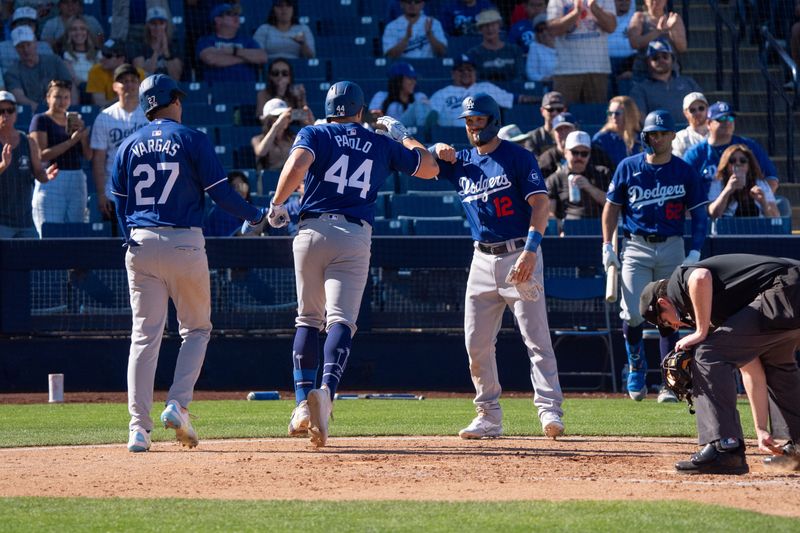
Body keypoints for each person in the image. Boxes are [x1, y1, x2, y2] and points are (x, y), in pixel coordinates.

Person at [266, 81, 438, 448]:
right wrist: (404, 136)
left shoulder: (315, 131)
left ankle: (301, 403)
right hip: (353, 235)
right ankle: (326, 392)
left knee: (307, 319)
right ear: (361, 110)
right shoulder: (380, 143)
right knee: (340, 320)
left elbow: (297, 162)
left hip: (311, 229)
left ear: (329, 108)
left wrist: (278, 204)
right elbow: (429, 169)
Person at [110, 74, 268, 453]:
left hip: (140, 241)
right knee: (196, 330)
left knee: (144, 337)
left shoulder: (128, 144)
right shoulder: (192, 138)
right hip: (183, 241)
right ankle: (178, 405)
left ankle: (138, 429)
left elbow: (117, 203)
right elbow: (221, 195)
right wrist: (255, 214)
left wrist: (128, 237)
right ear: (174, 101)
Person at [429, 92, 565, 440]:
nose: (474, 127)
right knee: (476, 343)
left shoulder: (518, 157)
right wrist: (431, 147)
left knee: (536, 339)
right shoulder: (460, 161)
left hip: (519, 253)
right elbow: (422, 164)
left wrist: (531, 251)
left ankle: (550, 410)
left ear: (494, 121)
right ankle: (488, 414)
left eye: (479, 120)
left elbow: (540, 206)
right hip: (481, 259)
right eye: (469, 122)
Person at [639, 253, 800, 474]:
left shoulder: (677, 285)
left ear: (663, 302)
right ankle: (797, 449)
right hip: (789, 293)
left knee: (707, 353)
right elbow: (752, 371)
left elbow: (700, 277)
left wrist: (700, 331)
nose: (673, 326)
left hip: (785, 290)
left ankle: (724, 448)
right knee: (777, 363)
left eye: (665, 320)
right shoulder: (722, 307)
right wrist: (760, 428)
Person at [601, 109, 708, 402]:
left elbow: (700, 214)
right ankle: (636, 364)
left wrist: (695, 249)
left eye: (662, 133)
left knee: (668, 315)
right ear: (645, 136)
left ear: (673, 136)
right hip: (635, 245)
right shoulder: (628, 166)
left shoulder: (684, 170)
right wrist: (607, 247)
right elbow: (610, 209)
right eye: (652, 133)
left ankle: (668, 379)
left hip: (673, 244)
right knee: (634, 312)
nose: (657, 138)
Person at [90, 64, 148, 234]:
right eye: (124, 81)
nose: (129, 85)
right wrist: (101, 194)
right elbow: (98, 159)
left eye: (133, 81)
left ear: (139, 84)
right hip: (115, 192)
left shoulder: (150, 115)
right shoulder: (105, 117)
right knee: (119, 246)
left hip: (146, 191)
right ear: (115, 86)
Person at [29, 79, 91, 236]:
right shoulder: (40, 120)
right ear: (48, 98)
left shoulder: (74, 120)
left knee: (76, 232)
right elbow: (42, 155)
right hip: (51, 177)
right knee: (50, 232)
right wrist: (72, 141)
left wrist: (82, 135)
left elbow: (88, 155)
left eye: (66, 97)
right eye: (57, 97)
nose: (62, 101)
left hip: (76, 177)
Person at [683, 101, 780, 194]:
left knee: (782, 203)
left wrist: (758, 202)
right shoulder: (695, 153)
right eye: (721, 119)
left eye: (730, 118)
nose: (727, 122)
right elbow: (684, 185)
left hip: (745, 206)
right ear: (709, 123)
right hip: (708, 206)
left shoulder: (749, 146)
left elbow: (771, 179)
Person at [0, 90, 59, 238]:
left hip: (25, 221)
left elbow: (39, 173)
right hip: (1, 223)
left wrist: (46, 176)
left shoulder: (28, 141)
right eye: (1, 110)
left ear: (16, 113)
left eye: (10, 110)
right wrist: (3, 165)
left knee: (32, 260)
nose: (5, 114)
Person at [428, 55, 537, 127]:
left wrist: (542, 98)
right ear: (453, 73)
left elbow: (516, 99)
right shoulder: (441, 94)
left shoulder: (486, 88)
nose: (466, 73)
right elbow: (431, 119)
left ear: (475, 72)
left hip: (481, 136)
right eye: (461, 70)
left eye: (469, 69)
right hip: (450, 137)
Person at [546, 0, 617, 104]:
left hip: (597, 69)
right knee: (563, 114)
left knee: (596, 115)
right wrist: (576, 12)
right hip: (566, 70)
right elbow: (553, 29)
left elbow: (611, 27)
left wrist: (593, 7)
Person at [628, 38, 701, 120]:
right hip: (658, 132)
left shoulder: (689, 83)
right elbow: (640, 118)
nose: (661, 60)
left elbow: (702, 109)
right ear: (648, 62)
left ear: (672, 59)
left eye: (665, 56)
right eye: (655, 58)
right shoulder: (639, 89)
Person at [4, 26, 75, 110]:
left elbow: (70, 86)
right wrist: (44, 110)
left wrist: (72, 108)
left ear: (35, 43)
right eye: (21, 46)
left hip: (61, 108)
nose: (26, 49)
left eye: (28, 44)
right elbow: (19, 97)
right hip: (33, 113)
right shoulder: (12, 72)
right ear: (16, 49)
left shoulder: (55, 61)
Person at [547, 130, 611, 222]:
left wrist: (589, 187)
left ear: (589, 154)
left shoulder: (603, 173)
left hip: (598, 228)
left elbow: (613, 204)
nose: (579, 157)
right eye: (575, 152)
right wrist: (559, 230)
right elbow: (550, 213)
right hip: (568, 230)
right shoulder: (555, 179)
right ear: (565, 153)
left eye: (584, 153)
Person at [197, 3, 267, 83]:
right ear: (218, 20)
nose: (236, 17)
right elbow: (210, 59)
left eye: (237, 14)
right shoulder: (206, 40)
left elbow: (262, 57)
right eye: (230, 14)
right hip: (217, 88)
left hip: (246, 88)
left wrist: (234, 51)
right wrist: (246, 58)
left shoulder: (247, 40)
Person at [707, 144, 779, 220]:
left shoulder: (759, 183)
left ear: (749, 165)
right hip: (726, 230)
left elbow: (776, 218)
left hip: (756, 229)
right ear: (726, 164)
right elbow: (713, 214)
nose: (738, 164)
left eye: (743, 161)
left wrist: (763, 202)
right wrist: (727, 190)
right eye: (732, 161)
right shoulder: (718, 182)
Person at [626, 0, 686, 81]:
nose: (656, 1)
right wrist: (658, 31)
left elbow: (682, 47)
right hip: (643, 72)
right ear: (645, 1)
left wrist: (672, 29)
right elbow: (634, 43)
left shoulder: (674, 18)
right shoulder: (639, 17)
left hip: (670, 73)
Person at [251, 97, 312, 172]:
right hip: (269, 180)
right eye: (278, 116)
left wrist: (311, 122)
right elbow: (261, 152)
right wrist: (276, 126)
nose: (283, 119)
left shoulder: (295, 138)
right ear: (268, 119)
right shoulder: (257, 139)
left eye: (285, 116)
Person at [367, 61, 432, 128]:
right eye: (410, 78)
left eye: (414, 78)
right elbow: (371, 118)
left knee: (421, 104)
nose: (414, 82)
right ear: (398, 80)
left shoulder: (419, 97)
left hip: (414, 135)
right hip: (389, 133)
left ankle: (424, 135)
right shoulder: (381, 96)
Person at [467, 9, 523, 82]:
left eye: (493, 25)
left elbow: (520, 75)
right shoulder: (474, 53)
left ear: (499, 26)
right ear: (480, 29)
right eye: (486, 25)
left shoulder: (514, 50)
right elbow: (476, 79)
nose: (490, 29)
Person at [86, 40, 144, 107]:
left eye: (108, 55)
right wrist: (125, 95)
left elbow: (141, 102)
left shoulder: (138, 73)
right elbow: (100, 105)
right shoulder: (96, 71)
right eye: (102, 53)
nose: (102, 58)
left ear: (121, 59)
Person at [382, 0, 448, 59]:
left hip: (428, 66)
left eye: (417, 2)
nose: (412, 5)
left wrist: (430, 35)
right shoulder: (391, 26)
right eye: (409, 2)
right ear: (401, 4)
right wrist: (406, 38)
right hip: (403, 68)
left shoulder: (433, 23)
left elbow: (442, 52)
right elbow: (390, 56)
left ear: (422, 4)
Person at [132, 7, 183, 81]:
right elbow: (142, 78)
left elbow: (175, 77)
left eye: (161, 23)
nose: (157, 27)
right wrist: (156, 52)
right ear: (148, 26)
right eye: (153, 24)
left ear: (166, 25)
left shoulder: (174, 47)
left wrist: (166, 52)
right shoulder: (139, 46)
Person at [591, 95, 642, 168]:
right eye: (610, 113)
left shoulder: (642, 138)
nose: (613, 117)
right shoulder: (601, 139)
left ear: (629, 115)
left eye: (617, 113)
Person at [0, 6, 55, 72]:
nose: (25, 27)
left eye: (29, 24)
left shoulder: (45, 47)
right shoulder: (2, 47)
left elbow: (51, 73)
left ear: (36, 28)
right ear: (13, 27)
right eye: (21, 24)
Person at [255, 58, 308, 125]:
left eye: (285, 73)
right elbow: (262, 118)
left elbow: (305, 121)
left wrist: (301, 99)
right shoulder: (263, 94)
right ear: (270, 76)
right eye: (275, 73)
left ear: (289, 78)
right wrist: (280, 93)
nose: (280, 76)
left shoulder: (295, 94)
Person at [203, 170, 251, 236]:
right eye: (234, 187)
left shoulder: (246, 208)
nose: (239, 190)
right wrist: (263, 220)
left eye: (242, 186)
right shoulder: (221, 211)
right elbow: (244, 236)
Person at [40, 0, 105, 48]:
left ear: (80, 5)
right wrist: (62, 39)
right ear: (59, 6)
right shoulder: (51, 24)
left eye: (74, 1)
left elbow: (100, 35)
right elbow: (45, 45)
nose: (70, 5)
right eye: (66, 2)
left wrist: (94, 37)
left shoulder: (91, 20)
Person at [60, 15, 101, 89]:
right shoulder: (66, 55)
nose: (78, 32)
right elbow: (73, 79)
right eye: (74, 29)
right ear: (69, 33)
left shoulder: (98, 54)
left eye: (82, 29)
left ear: (87, 32)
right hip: (78, 90)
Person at [524, 91, 567, 156]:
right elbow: (532, 163)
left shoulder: (572, 135)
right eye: (550, 109)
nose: (555, 113)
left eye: (559, 109)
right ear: (542, 111)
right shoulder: (532, 137)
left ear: (564, 111)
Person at [671, 92, 708, 158]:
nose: (698, 112)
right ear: (685, 113)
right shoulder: (679, 138)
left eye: (701, 108)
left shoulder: (717, 134)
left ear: (707, 109)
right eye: (692, 110)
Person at [607, 0, 636, 83]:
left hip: (628, 63)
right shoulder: (604, 20)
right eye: (620, 0)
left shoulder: (635, 19)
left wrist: (631, 68)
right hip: (606, 63)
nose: (624, 2)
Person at [524, 14, 556, 83]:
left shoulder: (562, 43)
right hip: (545, 87)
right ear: (536, 33)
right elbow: (531, 73)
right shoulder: (535, 47)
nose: (544, 32)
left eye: (547, 28)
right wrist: (546, 79)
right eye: (540, 30)